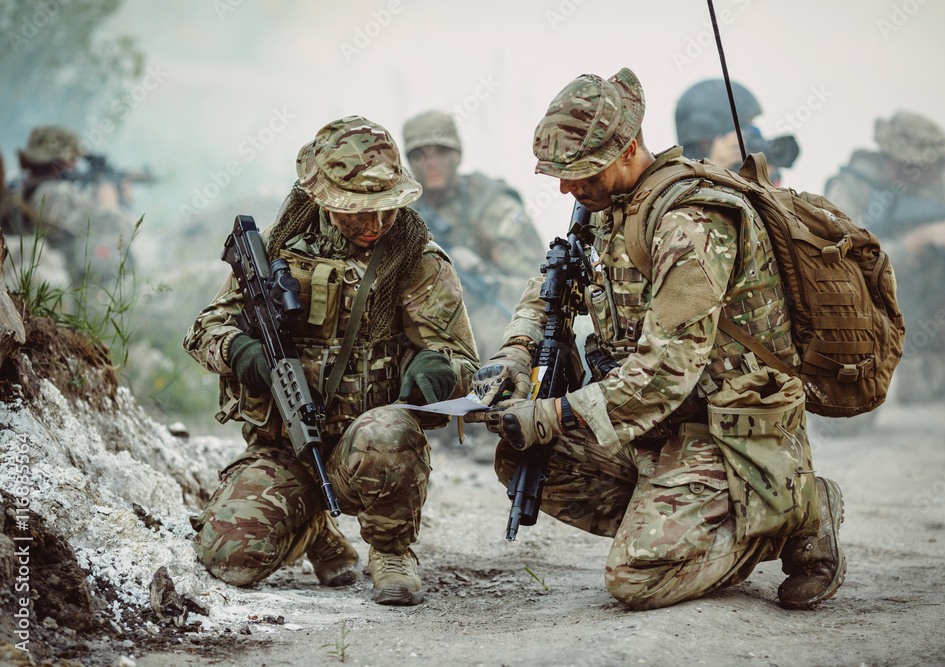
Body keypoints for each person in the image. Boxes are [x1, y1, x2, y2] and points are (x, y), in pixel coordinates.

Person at [467, 68, 845, 610]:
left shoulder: (690, 222)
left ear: (627, 150)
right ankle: (677, 518)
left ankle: (796, 512)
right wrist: (515, 351)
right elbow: (548, 285)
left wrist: (554, 414)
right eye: (559, 174)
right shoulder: (610, 208)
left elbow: (665, 373)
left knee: (634, 582)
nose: (565, 188)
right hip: (657, 427)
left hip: (725, 431)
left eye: (579, 172)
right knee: (528, 458)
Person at [182, 116, 479, 606]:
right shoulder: (276, 249)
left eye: (384, 209)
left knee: (385, 431)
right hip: (284, 449)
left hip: (370, 447)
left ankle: (390, 549)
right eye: (357, 211)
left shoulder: (415, 257)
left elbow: (462, 360)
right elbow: (204, 330)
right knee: (226, 558)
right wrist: (240, 352)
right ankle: (313, 529)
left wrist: (440, 370)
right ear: (321, 198)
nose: (375, 224)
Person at [824, 110, 945, 403]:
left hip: (922, 310)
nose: (942, 169)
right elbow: (844, 266)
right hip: (863, 320)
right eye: (934, 163)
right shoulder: (849, 190)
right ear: (904, 165)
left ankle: (922, 362)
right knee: (847, 417)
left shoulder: (935, 189)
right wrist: (920, 239)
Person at [402, 110, 545, 360]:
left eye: (441, 151)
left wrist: (484, 276)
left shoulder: (493, 206)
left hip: (486, 320)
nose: (431, 162)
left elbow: (540, 287)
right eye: (419, 155)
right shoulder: (400, 213)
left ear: (457, 155)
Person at [2, 125, 135, 290]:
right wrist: (113, 202)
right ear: (65, 161)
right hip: (56, 279)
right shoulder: (58, 195)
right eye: (73, 159)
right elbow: (123, 230)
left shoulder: (20, 189)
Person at [675, 79, 799, 185]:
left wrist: (765, 182)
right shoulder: (676, 183)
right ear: (705, 138)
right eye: (740, 129)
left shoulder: (757, 165)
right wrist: (715, 169)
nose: (748, 137)